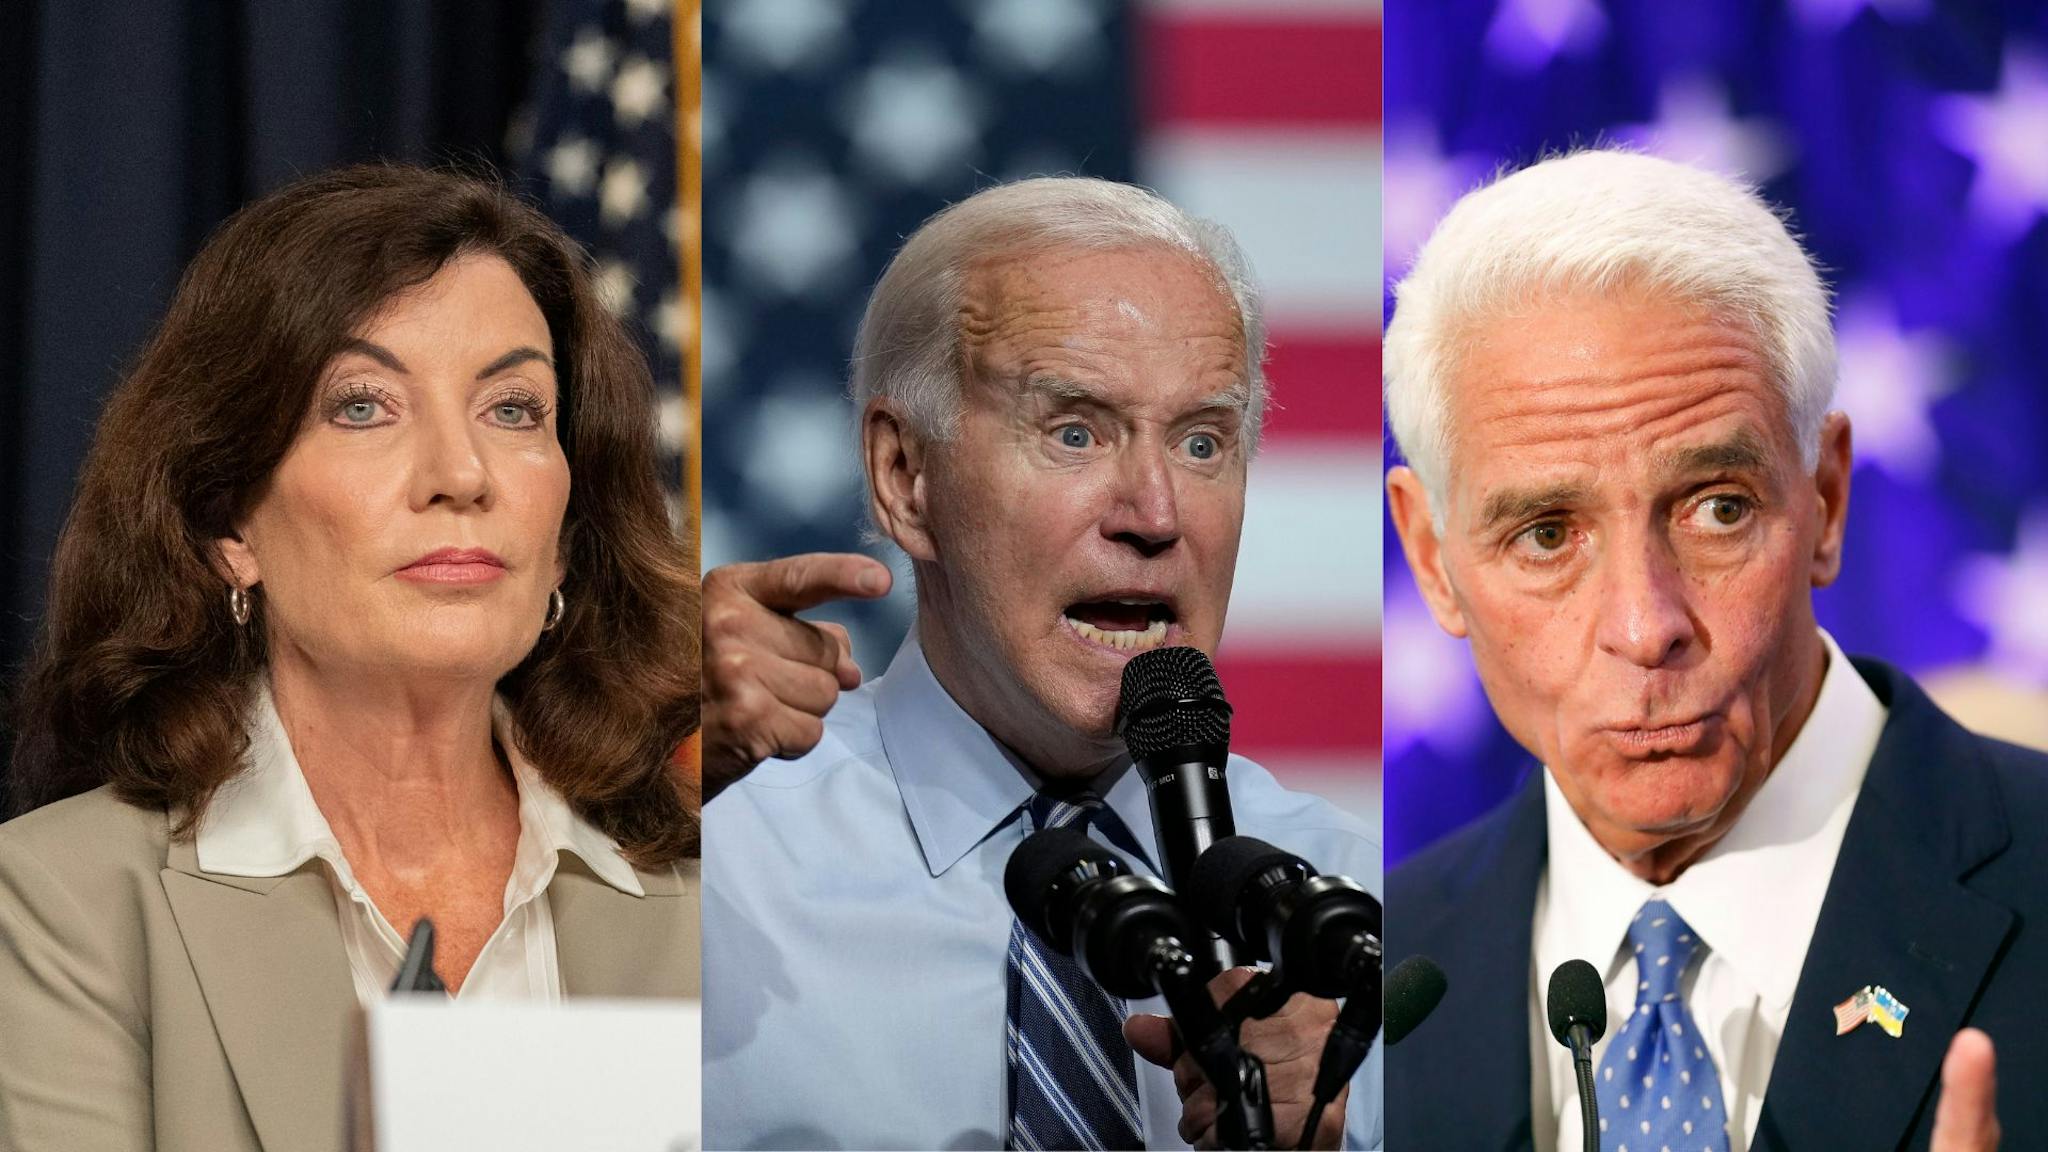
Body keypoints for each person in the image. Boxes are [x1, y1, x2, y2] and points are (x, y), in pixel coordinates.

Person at [0, 165, 701, 1152]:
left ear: (566, 528)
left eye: (513, 410)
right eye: (364, 406)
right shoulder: (62, 902)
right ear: (227, 521)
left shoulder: (713, 894)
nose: (461, 475)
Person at [699, 177, 1382, 1150]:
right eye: (1074, 431)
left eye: (1200, 441)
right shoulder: (711, 859)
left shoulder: (1354, 919)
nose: (1153, 513)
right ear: (905, 476)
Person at [1381, 149, 2038, 1152]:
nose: (1645, 627)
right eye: (1546, 535)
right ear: (1432, 562)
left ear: (1822, 499)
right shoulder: (1366, 1005)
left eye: (1715, 510)